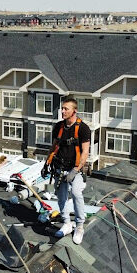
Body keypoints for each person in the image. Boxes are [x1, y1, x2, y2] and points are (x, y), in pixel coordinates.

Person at [42, 97, 91, 244]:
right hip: (59, 167)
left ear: (74, 111)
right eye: (62, 108)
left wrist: (75, 171)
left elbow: (85, 152)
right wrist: (47, 163)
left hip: (74, 168)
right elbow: (55, 146)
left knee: (76, 193)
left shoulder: (83, 128)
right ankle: (66, 223)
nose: (62, 111)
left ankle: (80, 226)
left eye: (66, 109)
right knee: (61, 196)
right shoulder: (59, 127)